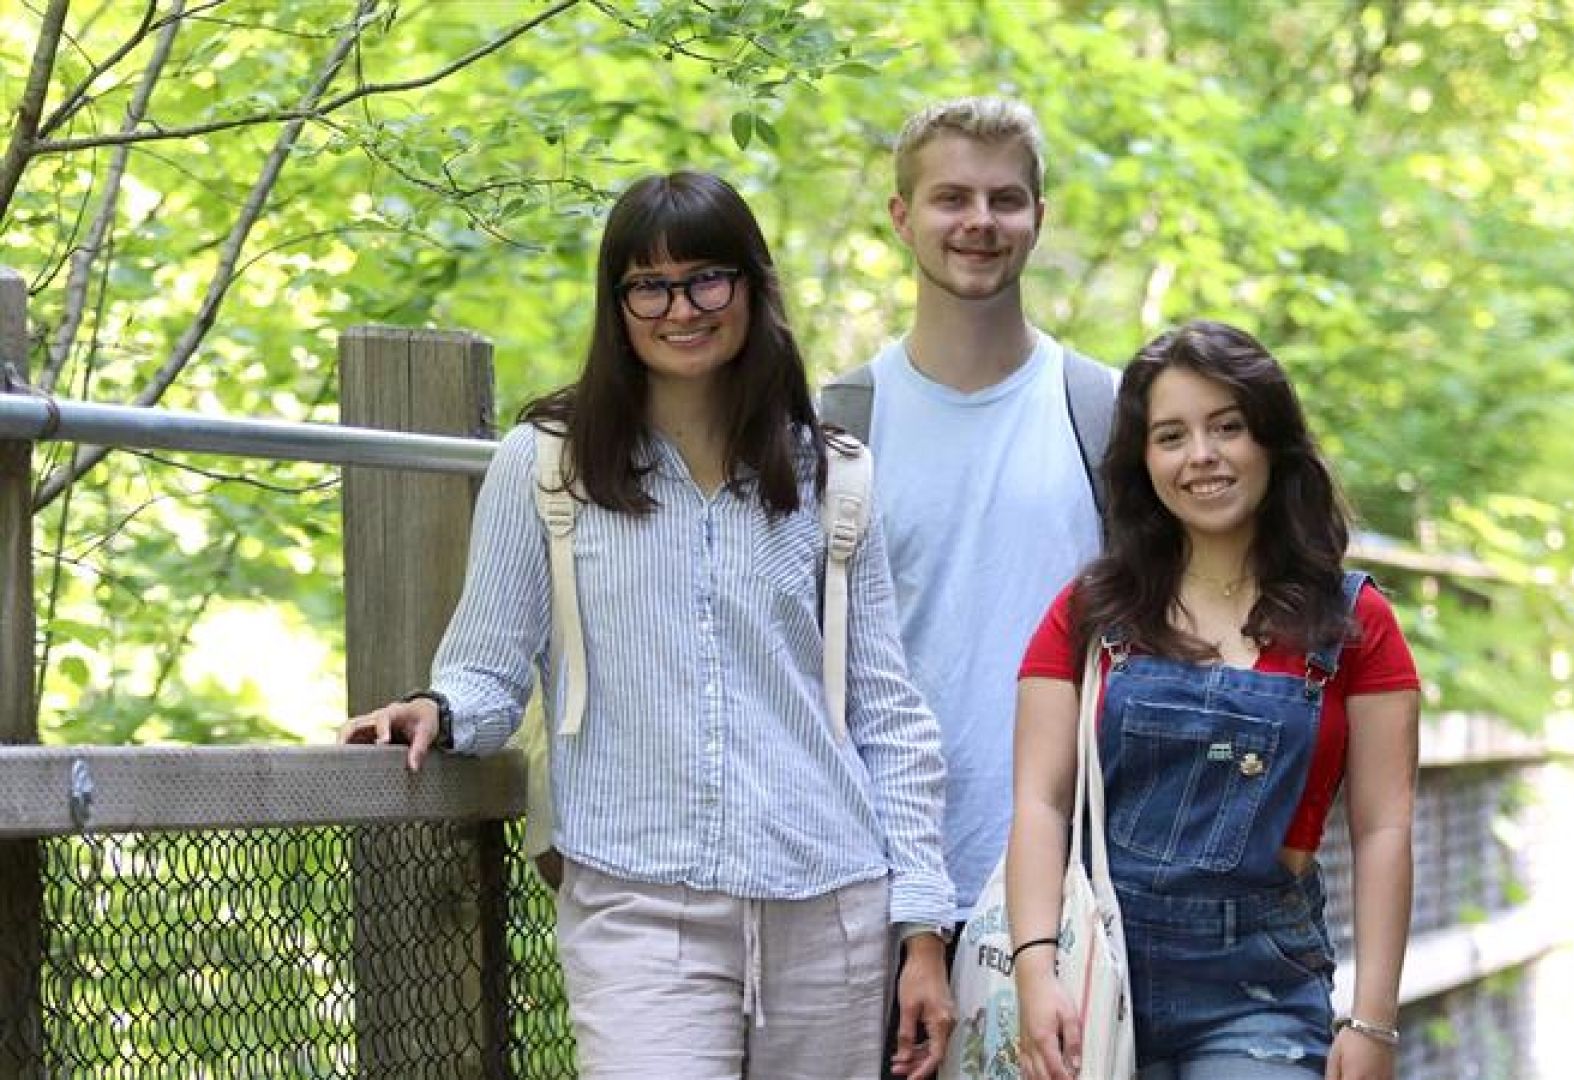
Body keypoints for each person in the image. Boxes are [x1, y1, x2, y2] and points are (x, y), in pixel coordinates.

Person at [340, 171, 955, 1080]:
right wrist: (437, 708)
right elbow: (488, 666)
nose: (681, 309)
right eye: (649, 286)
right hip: (638, 900)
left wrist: (923, 931)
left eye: (708, 278)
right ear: (617, 303)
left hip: (829, 906)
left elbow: (888, 715)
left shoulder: (834, 477)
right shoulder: (545, 467)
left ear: (750, 286)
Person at [1006, 321, 1421, 1080]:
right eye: (1170, 435)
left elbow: (1385, 827)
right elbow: (1038, 802)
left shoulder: (1358, 623)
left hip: (1258, 992)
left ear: (1270, 440)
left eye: (1227, 427)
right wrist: (1034, 969)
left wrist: (1374, 1022)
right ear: (1143, 462)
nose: (1201, 456)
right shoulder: (1089, 613)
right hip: (1095, 967)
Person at [817, 95, 1116, 1076]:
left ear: (1038, 215)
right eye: (951, 198)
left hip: (1069, 887)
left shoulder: (1104, 411)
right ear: (901, 216)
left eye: (1005, 199)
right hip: (874, 882)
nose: (979, 222)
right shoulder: (836, 424)